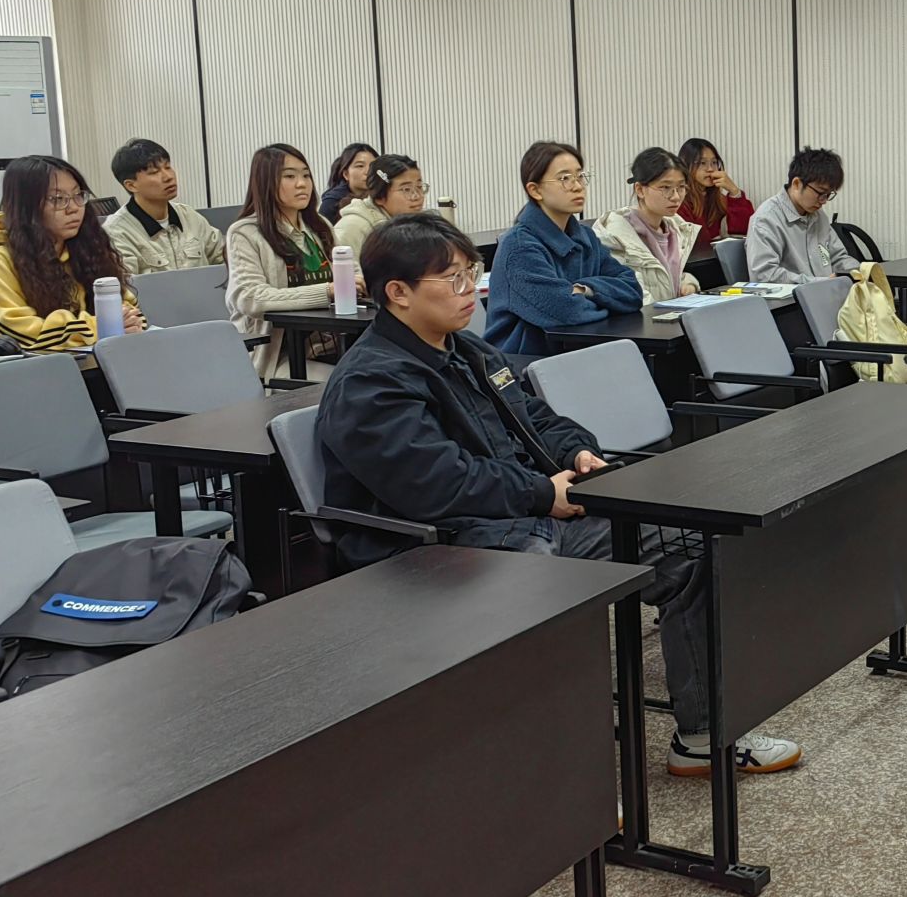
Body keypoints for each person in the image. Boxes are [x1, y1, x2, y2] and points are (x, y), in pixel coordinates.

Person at [317, 215, 800, 775]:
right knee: (547, 590)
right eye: (452, 279)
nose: (471, 289)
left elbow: (537, 417)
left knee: (689, 546)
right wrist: (541, 493)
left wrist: (577, 454)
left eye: (472, 272)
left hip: (518, 515)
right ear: (398, 293)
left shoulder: (468, 350)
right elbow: (434, 483)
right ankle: (557, 784)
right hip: (436, 545)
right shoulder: (373, 380)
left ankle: (703, 736)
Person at [0, 155, 143, 354]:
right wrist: (100, 327)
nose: (74, 208)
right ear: (27, 206)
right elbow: (17, 334)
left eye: (78, 195)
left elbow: (130, 308)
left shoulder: (85, 247)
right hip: (16, 367)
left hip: (88, 360)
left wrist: (130, 323)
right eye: (58, 199)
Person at [484, 142, 640, 356]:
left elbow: (633, 290)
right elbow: (566, 311)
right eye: (564, 178)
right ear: (535, 190)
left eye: (580, 176)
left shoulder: (585, 236)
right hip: (525, 363)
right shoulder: (519, 247)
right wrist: (610, 302)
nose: (577, 186)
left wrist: (585, 290)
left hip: (580, 354)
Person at [225, 142, 363, 382]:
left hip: (332, 346)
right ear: (266, 182)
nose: (302, 184)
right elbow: (250, 297)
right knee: (348, 383)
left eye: (306, 175)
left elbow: (351, 271)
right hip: (276, 356)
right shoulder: (245, 232)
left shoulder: (319, 226)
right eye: (290, 176)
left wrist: (359, 281)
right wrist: (327, 291)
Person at [593, 147, 702, 305]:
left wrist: (687, 283)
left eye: (681, 187)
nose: (676, 197)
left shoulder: (676, 229)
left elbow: (663, 278)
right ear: (640, 190)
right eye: (665, 188)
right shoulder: (614, 236)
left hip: (669, 314)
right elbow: (630, 291)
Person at [101, 137, 225, 275]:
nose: (168, 177)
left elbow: (223, 260)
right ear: (131, 185)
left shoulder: (189, 216)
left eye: (167, 167)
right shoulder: (117, 232)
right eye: (154, 172)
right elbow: (125, 285)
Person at [746, 146, 858, 287]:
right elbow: (764, 275)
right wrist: (820, 283)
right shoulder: (766, 219)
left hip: (825, 293)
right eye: (820, 193)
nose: (824, 201)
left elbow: (837, 258)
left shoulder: (818, 216)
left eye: (828, 195)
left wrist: (860, 272)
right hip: (792, 299)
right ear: (797, 184)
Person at [333, 153, 426, 259]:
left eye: (419, 187)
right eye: (406, 189)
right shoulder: (353, 228)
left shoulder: (417, 223)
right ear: (380, 197)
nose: (417, 196)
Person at [676, 137, 754, 261]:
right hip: (694, 265)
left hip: (719, 261)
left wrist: (735, 192)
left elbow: (746, 231)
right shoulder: (678, 202)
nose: (710, 169)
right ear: (686, 166)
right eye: (702, 163)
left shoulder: (718, 199)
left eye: (714, 162)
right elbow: (698, 245)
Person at [320, 143, 377, 223]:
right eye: (360, 166)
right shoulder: (331, 203)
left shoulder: (384, 197)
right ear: (346, 174)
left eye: (373, 166)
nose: (368, 171)